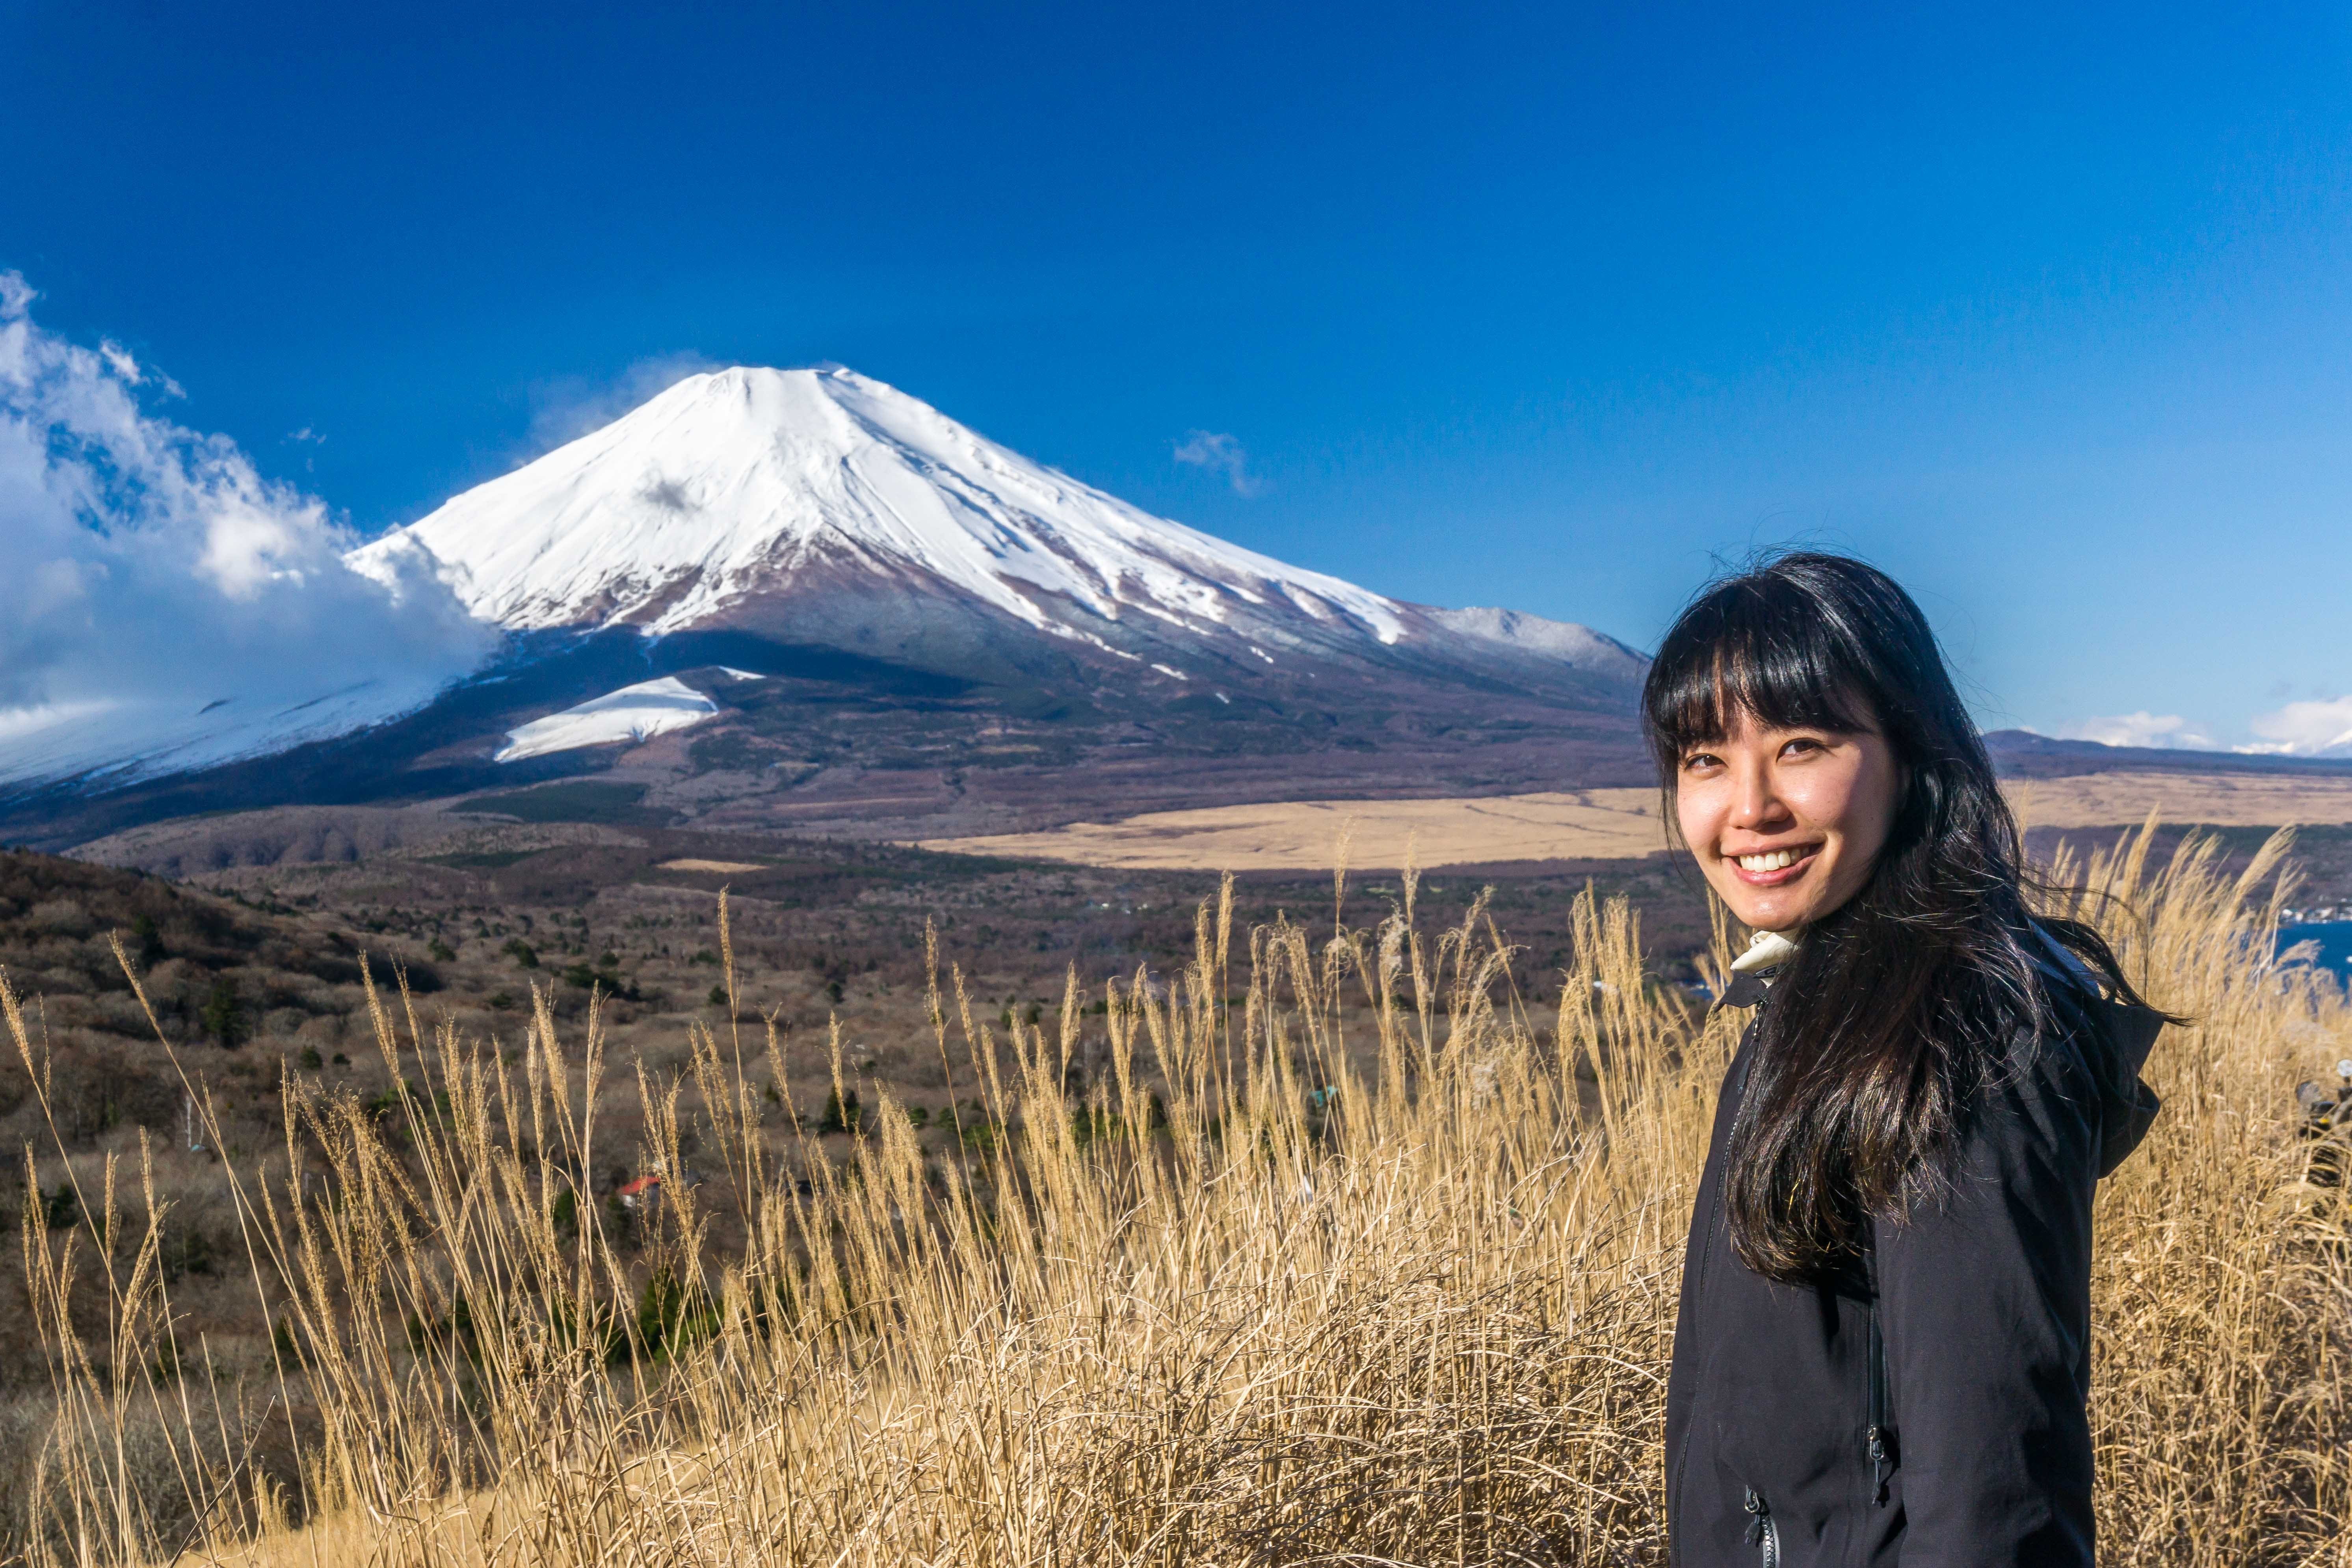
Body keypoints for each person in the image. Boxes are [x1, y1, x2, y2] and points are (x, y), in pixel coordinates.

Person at [1652, 552, 2167, 1566]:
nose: (1748, 807)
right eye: (1705, 759)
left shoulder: (1960, 1032)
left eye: (1802, 745)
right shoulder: (1816, 994)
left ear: (1912, 752)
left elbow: (1996, 1490)